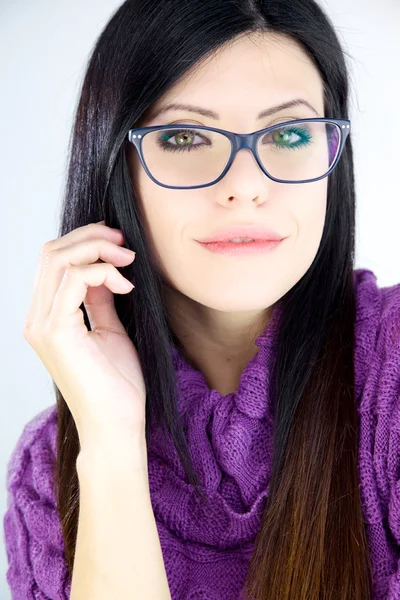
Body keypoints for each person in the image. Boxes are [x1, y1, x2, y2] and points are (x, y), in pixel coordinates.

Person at [3, 0, 400, 598]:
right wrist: (110, 447)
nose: (245, 185)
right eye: (185, 136)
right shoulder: (48, 466)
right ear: (117, 169)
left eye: (290, 133)